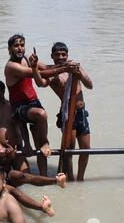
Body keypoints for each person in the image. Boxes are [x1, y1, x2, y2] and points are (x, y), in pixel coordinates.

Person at [4, 34, 77, 176]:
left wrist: (64, 65)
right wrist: (64, 68)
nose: (20, 48)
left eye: (22, 45)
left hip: (33, 102)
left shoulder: (26, 59)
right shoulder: (11, 66)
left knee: (40, 148)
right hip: (19, 107)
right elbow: (37, 73)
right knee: (41, 114)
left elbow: (44, 69)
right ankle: (45, 142)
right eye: (16, 46)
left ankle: (44, 178)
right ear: (10, 49)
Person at [30, 42, 93, 181]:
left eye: (63, 54)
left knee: (86, 149)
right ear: (52, 56)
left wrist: (80, 74)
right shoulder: (54, 73)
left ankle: (80, 179)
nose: (60, 57)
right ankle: (70, 178)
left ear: (67, 55)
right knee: (69, 151)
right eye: (57, 54)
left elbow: (90, 85)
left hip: (82, 113)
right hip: (68, 115)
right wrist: (34, 66)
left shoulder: (75, 66)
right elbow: (40, 83)